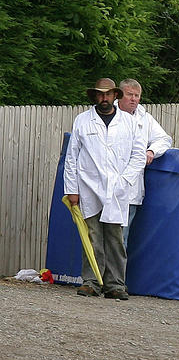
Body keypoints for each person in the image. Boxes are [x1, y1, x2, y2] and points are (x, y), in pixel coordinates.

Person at [64, 78, 146, 300]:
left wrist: (124, 181)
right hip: (89, 187)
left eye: (108, 94)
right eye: (100, 95)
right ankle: (91, 282)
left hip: (118, 190)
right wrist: (72, 190)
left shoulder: (129, 123)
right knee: (91, 237)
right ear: (95, 97)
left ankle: (115, 284)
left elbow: (138, 156)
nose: (104, 98)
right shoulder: (83, 121)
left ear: (115, 96)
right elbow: (72, 158)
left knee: (115, 238)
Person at [116, 79, 173, 248]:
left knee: (121, 240)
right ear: (119, 95)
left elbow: (164, 139)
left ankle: (117, 275)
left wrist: (152, 151)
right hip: (106, 187)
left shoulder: (145, 118)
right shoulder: (108, 115)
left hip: (131, 189)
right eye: (129, 95)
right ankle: (97, 275)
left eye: (137, 96)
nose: (133, 99)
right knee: (100, 239)